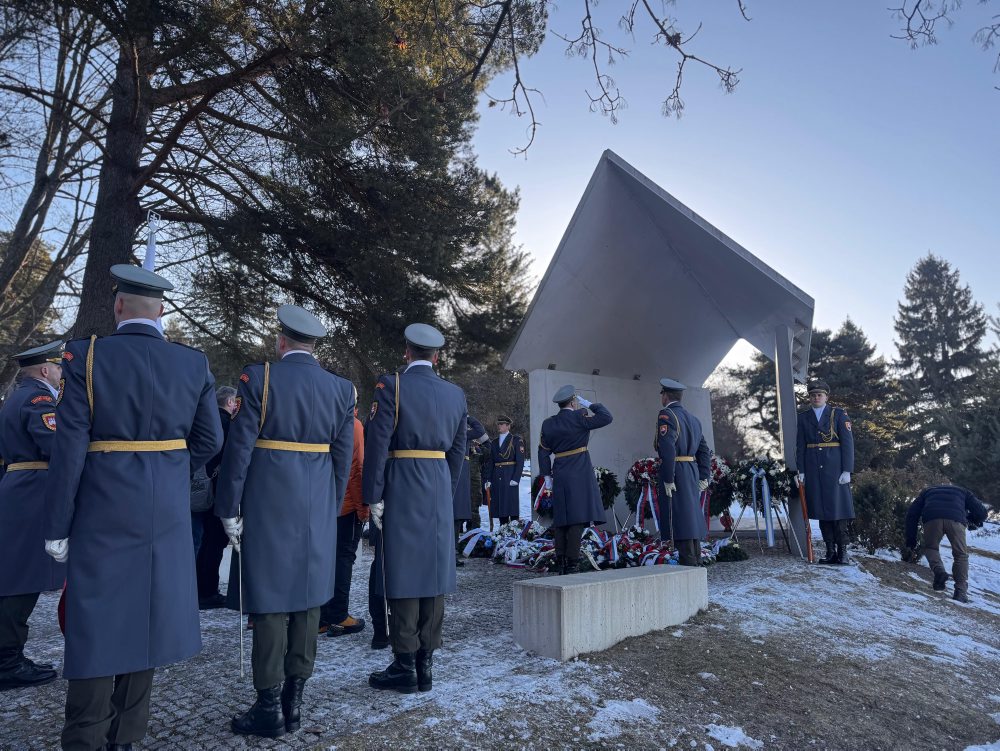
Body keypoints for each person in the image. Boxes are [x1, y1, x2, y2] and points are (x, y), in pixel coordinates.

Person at [43, 264, 222, 750]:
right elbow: (209, 438)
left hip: (102, 508)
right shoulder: (192, 362)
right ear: (160, 310)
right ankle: (127, 736)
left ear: (118, 306)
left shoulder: (86, 355)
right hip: (164, 510)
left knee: (97, 621)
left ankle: (85, 736)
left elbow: (70, 449)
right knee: (148, 618)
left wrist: (57, 523)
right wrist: (169, 474)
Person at [214, 305, 354, 738]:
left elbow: (238, 451)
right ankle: (295, 703)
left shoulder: (260, 378)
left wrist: (229, 507)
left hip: (268, 503)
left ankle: (269, 706)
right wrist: (329, 507)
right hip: (316, 507)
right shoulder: (342, 389)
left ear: (280, 341)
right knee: (308, 604)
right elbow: (342, 458)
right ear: (314, 346)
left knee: (271, 604)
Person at [364, 323, 466, 694]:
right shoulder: (455, 394)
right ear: (436, 356)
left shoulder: (391, 385)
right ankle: (427, 664)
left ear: (407, 352)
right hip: (437, 481)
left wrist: (373, 495)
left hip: (402, 480)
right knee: (434, 573)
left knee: (404, 572)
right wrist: (445, 487)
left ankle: (405, 662)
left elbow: (377, 445)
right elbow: (457, 451)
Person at [0, 341, 64, 691]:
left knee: (12, 576)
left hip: (18, 486)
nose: (59, 374)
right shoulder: (40, 400)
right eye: (57, 368)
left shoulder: (16, 396)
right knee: (21, 580)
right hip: (32, 492)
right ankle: (7, 661)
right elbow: (55, 446)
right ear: (44, 370)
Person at [537, 385, 612, 574]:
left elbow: (543, 453)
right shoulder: (580, 417)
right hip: (579, 471)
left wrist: (547, 476)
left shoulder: (548, 424)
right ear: (573, 402)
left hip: (560, 471)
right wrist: (591, 404)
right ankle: (572, 562)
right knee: (577, 519)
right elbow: (607, 417)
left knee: (562, 518)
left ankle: (561, 559)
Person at [322, 394, 369, 636]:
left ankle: (320, 616)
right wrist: (363, 508)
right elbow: (357, 468)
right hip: (346, 505)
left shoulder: (322, 419)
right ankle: (339, 615)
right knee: (343, 560)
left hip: (322, 504)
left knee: (324, 560)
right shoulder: (353, 424)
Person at [795, 379, 855, 565]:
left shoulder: (838, 414)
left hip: (834, 470)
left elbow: (847, 443)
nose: (816, 397)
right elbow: (800, 446)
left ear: (826, 397)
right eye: (812, 395)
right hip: (814, 470)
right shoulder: (804, 417)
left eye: (819, 394)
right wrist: (801, 470)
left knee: (838, 511)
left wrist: (847, 470)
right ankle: (830, 552)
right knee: (822, 512)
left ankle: (842, 552)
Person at [655, 378, 712, 567]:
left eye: (662, 394)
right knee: (690, 518)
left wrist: (668, 478)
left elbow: (667, 448)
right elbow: (704, 450)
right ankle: (695, 561)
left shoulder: (666, 415)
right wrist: (704, 475)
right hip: (691, 470)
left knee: (680, 521)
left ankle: (689, 565)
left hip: (676, 471)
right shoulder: (693, 419)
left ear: (665, 396)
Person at [905, 483, 988, 603]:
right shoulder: (963, 491)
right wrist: (971, 520)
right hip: (956, 520)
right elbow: (982, 514)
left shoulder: (927, 492)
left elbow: (912, 515)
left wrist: (910, 540)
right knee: (960, 555)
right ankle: (960, 592)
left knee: (930, 548)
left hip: (932, 519)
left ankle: (939, 572)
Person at [194, 385, 237, 609]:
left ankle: (199, 588)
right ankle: (207, 590)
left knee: (202, 542)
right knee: (215, 543)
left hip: (200, 487)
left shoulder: (206, 420)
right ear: (230, 402)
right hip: (217, 489)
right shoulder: (228, 424)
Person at [454, 415, 489, 566]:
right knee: (456, 517)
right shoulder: (461, 432)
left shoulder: (449, 430)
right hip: (461, 472)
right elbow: (480, 430)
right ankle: (452, 553)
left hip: (456, 471)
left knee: (456, 516)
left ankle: (452, 551)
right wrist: (467, 417)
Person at [484, 416, 525, 525]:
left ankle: (515, 530)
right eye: (498, 424)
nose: (499, 426)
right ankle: (503, 530)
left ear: (508, 426)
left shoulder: (516, 440)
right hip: (497, 476)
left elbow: (520, 461)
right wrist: (488, 479)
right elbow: (491, 462)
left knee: (512, 505)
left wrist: (516, 478)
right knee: (501, 505)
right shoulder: (494, 442)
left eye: (502, 424)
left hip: (510, 475)